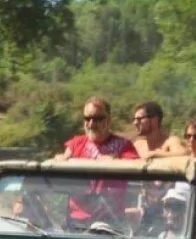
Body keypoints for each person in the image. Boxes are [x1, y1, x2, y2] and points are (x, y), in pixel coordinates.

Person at [55, 97, 139, 228]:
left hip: (110, 219)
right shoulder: (75, 143)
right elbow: (64, 158)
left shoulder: (124, 145)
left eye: (98, 118)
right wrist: (60, 160)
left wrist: (115, 161)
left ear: (109, 120)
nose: (91, 123)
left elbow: (135, 166)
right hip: (77, 219)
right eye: (87, 119)